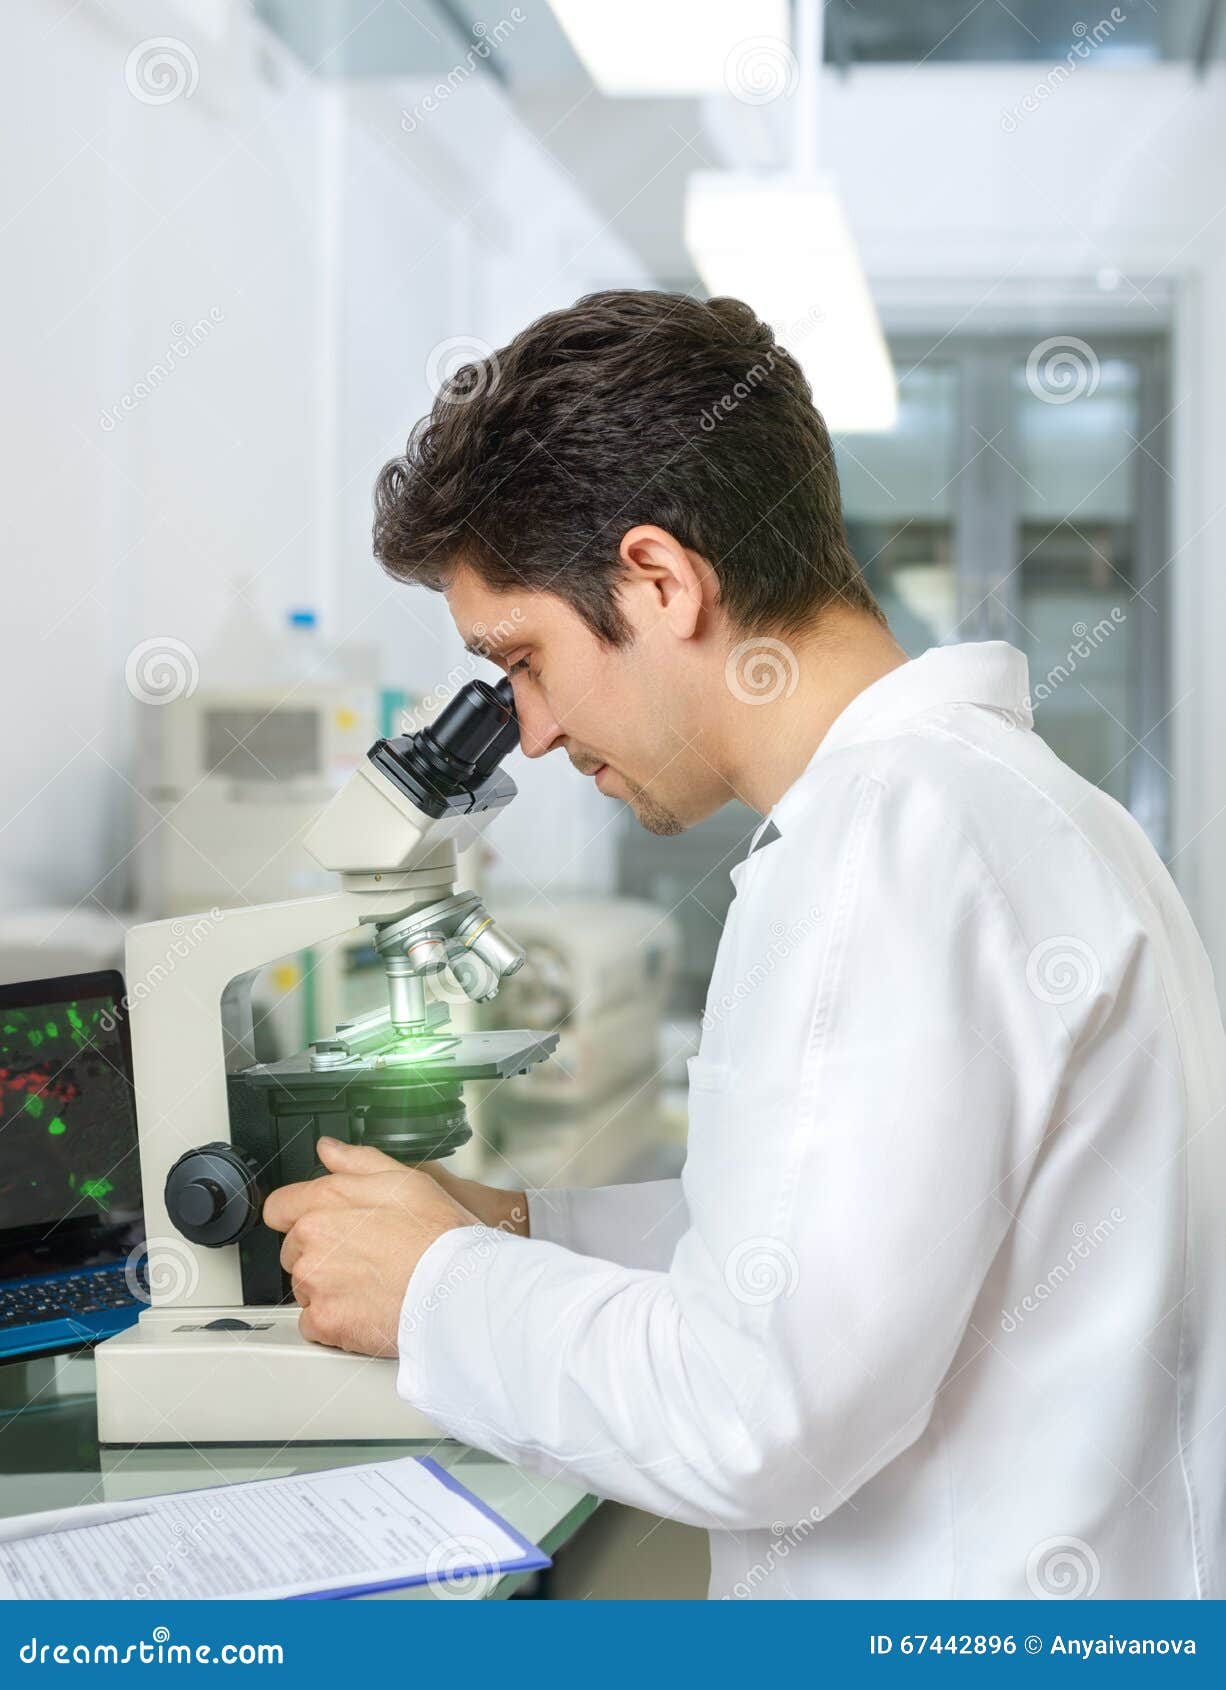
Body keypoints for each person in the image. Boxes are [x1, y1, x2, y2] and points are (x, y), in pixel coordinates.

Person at [264, 290, 1226, 1600]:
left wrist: (433, 1287)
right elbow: (834, 1239)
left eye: (524, 658)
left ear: (660, 581)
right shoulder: (1008, 806)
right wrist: (526, 1226)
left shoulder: (885, 846)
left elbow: (760, 1411)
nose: (529, 731)